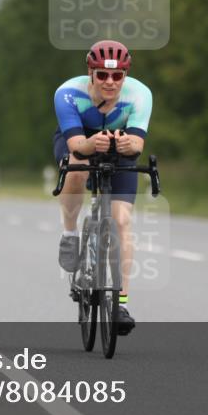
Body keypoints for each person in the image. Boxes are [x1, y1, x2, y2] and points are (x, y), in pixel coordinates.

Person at [53, 39, 152, 336]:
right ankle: (70, 234)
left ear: (125, 75)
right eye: (103, 75)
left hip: (118, 146)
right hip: (79, 140)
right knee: (78, 164)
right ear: (91, 72)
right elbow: (76, 145)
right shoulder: (68, 93)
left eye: (117, 75)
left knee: (121, 220)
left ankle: (120, 304)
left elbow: (137, 145)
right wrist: (90, 143)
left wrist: (127, 144)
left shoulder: (140, 94)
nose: (110, 82)